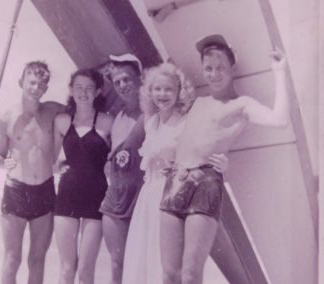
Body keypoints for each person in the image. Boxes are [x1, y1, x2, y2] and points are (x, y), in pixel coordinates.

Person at [159, 34, 289, 284]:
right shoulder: (198, 102)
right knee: (169, 273)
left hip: (205, 184)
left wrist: (279, 73)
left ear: (232, 66)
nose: (214, 74)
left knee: (190, 274)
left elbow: (280, 120)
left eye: (220, 67)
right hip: (175, 179)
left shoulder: (241, 104)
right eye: (208, 68)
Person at [121, 62, 228, 284]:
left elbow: (206, 155)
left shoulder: (187, 122)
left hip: (172, 196)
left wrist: (222, 162)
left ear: (180, 92)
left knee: (168, 265)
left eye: (169, 89)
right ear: (149, 92)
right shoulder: (151, 123)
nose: (163, 94)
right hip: (148, 196)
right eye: (157, 89)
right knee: (144, 256)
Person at [0, 61, 65, 284]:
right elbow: (1, 157)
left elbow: (81, 114)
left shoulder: (53, 111)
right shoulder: (6, 117)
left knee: (37, 259)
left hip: (44, 191)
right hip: (16, 191)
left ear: (46, 88)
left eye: (42, 84)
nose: (36, 88)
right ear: (21, 83)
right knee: (12, 258)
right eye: (32, 82)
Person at [53, 68, 114, 284]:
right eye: (78, 87)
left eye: (89, 88)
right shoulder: (61, 121)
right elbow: (51, 157)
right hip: (66, 195)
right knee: (67, 268)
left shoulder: (107, 122)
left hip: (96, 196)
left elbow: (116, 159)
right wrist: (59, 165)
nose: (83, 93)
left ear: (98, 91)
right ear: (71, 90)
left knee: (86, 269)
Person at [98, 54, 146, 284]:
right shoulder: (118, 118)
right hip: (115, 200)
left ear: (140, 78)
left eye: (126, 79)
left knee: (144, 264)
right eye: (117, 82)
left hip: (143, 201)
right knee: (117, 265)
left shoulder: (154, 114)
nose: (122, 86)